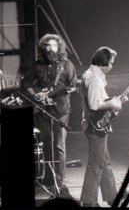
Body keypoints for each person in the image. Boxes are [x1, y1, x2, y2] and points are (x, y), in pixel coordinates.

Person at [22, 33, 77, 197]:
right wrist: (34, 94)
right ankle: (47, 176)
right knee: (46, 143)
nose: (50, 48)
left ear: (58, 47)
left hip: (60, 110)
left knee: (59, 145)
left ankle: (59, 179)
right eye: (46, 45)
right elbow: (26, 81)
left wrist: (52, 93)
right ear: (42, 48)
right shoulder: (37, 65)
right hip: (42, 110)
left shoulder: (66, 64)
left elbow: (72, 85)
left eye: (53, 45)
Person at [79, 46, 128, 207]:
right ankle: (88, 202)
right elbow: (94, 104)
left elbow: (98, 100)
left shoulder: (92, 74)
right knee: (96, 163)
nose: (112, 66)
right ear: (103, 62)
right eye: (111, 63)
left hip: (94, 124)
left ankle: (112, 196)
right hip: (95, 127)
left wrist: (114, 101)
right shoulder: (93, 77)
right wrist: (113, 103)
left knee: (104, 161)